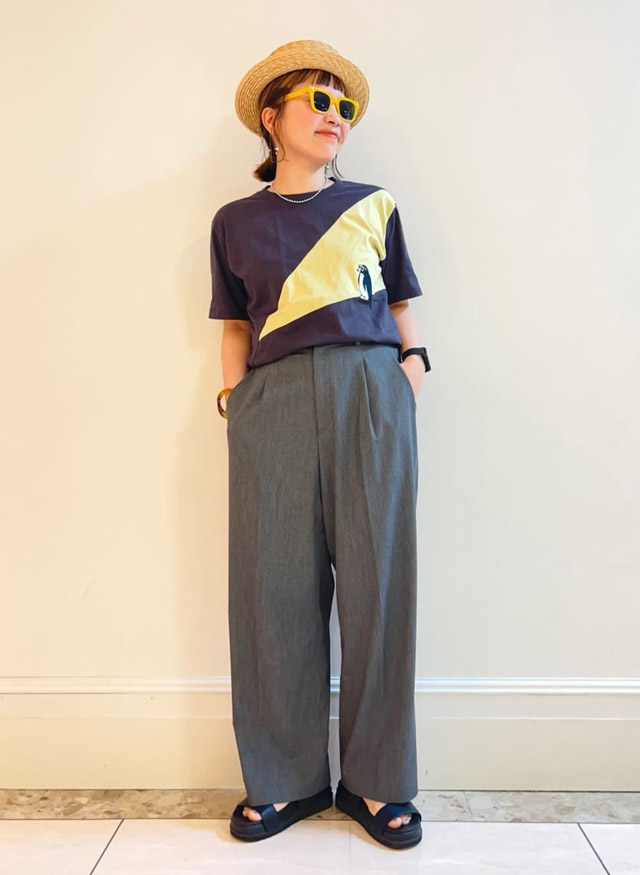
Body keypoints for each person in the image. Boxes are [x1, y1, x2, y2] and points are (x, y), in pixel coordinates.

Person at [208, 39, 431, 850]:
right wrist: (235, 401)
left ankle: (376, 779)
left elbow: (400, 303)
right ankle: (286, 777)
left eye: (345, 106)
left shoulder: (374, 204)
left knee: (379, 583)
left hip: (370, 390)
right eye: (320, 100)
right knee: (271, 588)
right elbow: (235, 324)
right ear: (272, 119)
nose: (336, 116)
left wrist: (410, 369)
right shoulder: (235, 221)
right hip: (270, 400)